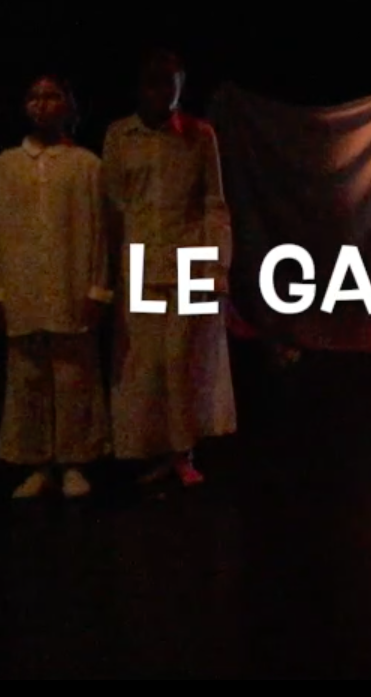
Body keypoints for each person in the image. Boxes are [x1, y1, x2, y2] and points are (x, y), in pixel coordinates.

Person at [102, 49, 236, 486]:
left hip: (189, 259)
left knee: (182, 358)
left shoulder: (199, 135)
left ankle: (183, 451)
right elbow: (113, 206)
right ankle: (152, 447)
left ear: (181, 87)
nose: (162, 92)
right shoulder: (120, 136)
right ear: (141, 88)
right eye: (154, 83)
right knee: (146, 360)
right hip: (140, 260)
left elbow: (214, 204)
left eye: (170, 83)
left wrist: (217, 265)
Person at [0, 75, 111, 498]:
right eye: (35, 96)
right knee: (28, 377)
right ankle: (37, 462)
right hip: (22, 285)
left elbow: (99, 232)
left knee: (74, 376)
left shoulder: (87, 165)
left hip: (71, 282)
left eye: (52, 96)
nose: (42, 104)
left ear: (69, 104)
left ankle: (74, 460)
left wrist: (98, 288)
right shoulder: (5, 165)